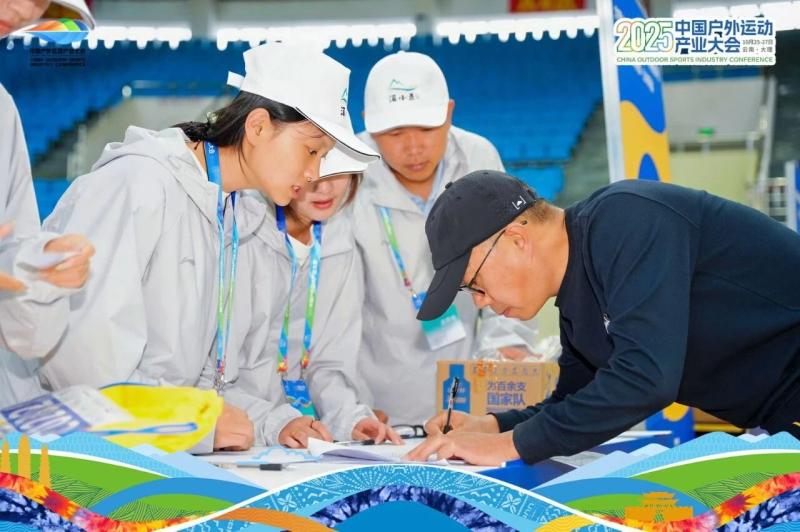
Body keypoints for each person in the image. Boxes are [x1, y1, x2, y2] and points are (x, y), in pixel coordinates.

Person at [37, 43, 379, 451]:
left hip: (149, 451)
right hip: (74, 458)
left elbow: (200, 378)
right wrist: (192, 427)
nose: (313, 173)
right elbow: (82, 365)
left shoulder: (232, 215)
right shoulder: (138, 184)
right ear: (258, 127)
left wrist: (273, 421)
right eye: (311, 151)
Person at [406, 171, 800, 466]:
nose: (480, 302)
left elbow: (645, 379)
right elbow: (573, 402)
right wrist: (495, 426)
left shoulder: (627, 217)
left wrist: (507, 446)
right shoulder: (577, 300)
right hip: (779, 414)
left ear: (516, 240)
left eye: (475, 284)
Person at [352, 51, 539, 428]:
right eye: (394, 133)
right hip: (377, 401)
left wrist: (507, 345)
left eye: (426, 128)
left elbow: (511, 266)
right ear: (369, 125)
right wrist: (349, 404)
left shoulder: (478, 158)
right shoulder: (348, 172)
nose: (413, 147)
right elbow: (333, 305)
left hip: (468, 392)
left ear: (449, 112)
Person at [221, 173, 401, 445]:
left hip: (298, 437)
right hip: (235, 432)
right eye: (314, 171)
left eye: (338, 173)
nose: (324, 188)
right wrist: (273, 423)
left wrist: (348, 419)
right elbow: (215, 375)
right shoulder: (241, 230)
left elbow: (329, 362)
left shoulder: (338, 237)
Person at [0, 0, 95, 406]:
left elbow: (9, 264)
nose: (24, 10)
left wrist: (39, 267)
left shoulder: (2, 110)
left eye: (41, 0)